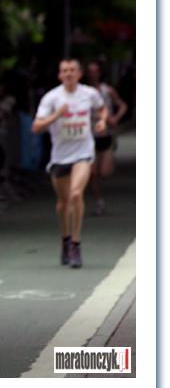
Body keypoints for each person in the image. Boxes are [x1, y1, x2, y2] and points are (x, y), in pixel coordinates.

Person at [32, 59, 107, 268]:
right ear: (59, 75)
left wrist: (102, 120)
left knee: (76, 194)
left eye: (72, 70)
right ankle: (65, 239)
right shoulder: (52, 97)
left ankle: (75, 243)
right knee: (63, 203)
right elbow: (36, 127)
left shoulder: (89, 94)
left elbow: (102, 109)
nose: (68, 74)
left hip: (83, 152)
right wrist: (56, 115)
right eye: (64, 71)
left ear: (79, 74)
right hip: (60, 156)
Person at [84, 61, 128, 215]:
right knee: (93, 173)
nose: (93, 74)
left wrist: (115, 118)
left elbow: (123, 105)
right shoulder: (83, 92)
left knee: (105, 172)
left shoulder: (107, 90)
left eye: (95, 71)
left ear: (100, 73)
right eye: (90, 71)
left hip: (105, 134)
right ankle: (99, 202)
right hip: (88, 135)